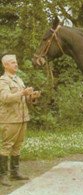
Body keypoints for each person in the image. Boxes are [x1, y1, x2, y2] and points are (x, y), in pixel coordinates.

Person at [0, 54, 41, 186]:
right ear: (5, 65)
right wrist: (22, 93)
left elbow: (24, 99)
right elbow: (5, 98)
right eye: (12, 62)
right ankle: (2, 176)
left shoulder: (18, 79)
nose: (16, 64)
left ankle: (14, 173)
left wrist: (31, 96)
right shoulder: (3, 81)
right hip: (10, 119)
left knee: (17, 147)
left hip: (22, 118)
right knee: (7, 146)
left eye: (16, 62)